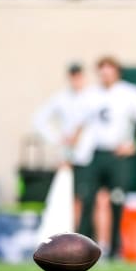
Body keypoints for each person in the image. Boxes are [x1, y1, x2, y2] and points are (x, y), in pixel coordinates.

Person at [73, 56, 136, 258]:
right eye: (102, 71)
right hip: (95, 153)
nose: (105, 75)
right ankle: (85, 245)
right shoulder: (90, 95)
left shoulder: (129, 93)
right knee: (88, 199)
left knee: (117, 200)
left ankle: (115, 247)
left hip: (117, 154)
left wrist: (134, 144)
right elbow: (78, 125)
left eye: (109, 71)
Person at [32, 62, 93, 229]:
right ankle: (70, 233)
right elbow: (39, 120)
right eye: (73, 76)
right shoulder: (61, 98)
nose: (76, 80)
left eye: (78, 75)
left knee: (90, 199)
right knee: (70, 197)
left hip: (90, 157)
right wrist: (58, 139)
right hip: (69, 157)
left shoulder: (92, 97)